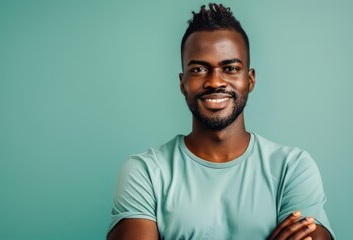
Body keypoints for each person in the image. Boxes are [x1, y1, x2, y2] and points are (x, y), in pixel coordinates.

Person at [107, 3, 335, 240]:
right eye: (198, 69)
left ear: (250, 80)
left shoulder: (293, 168)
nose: (215, 81)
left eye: (230, 68)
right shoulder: (145, 173)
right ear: (182, 83)